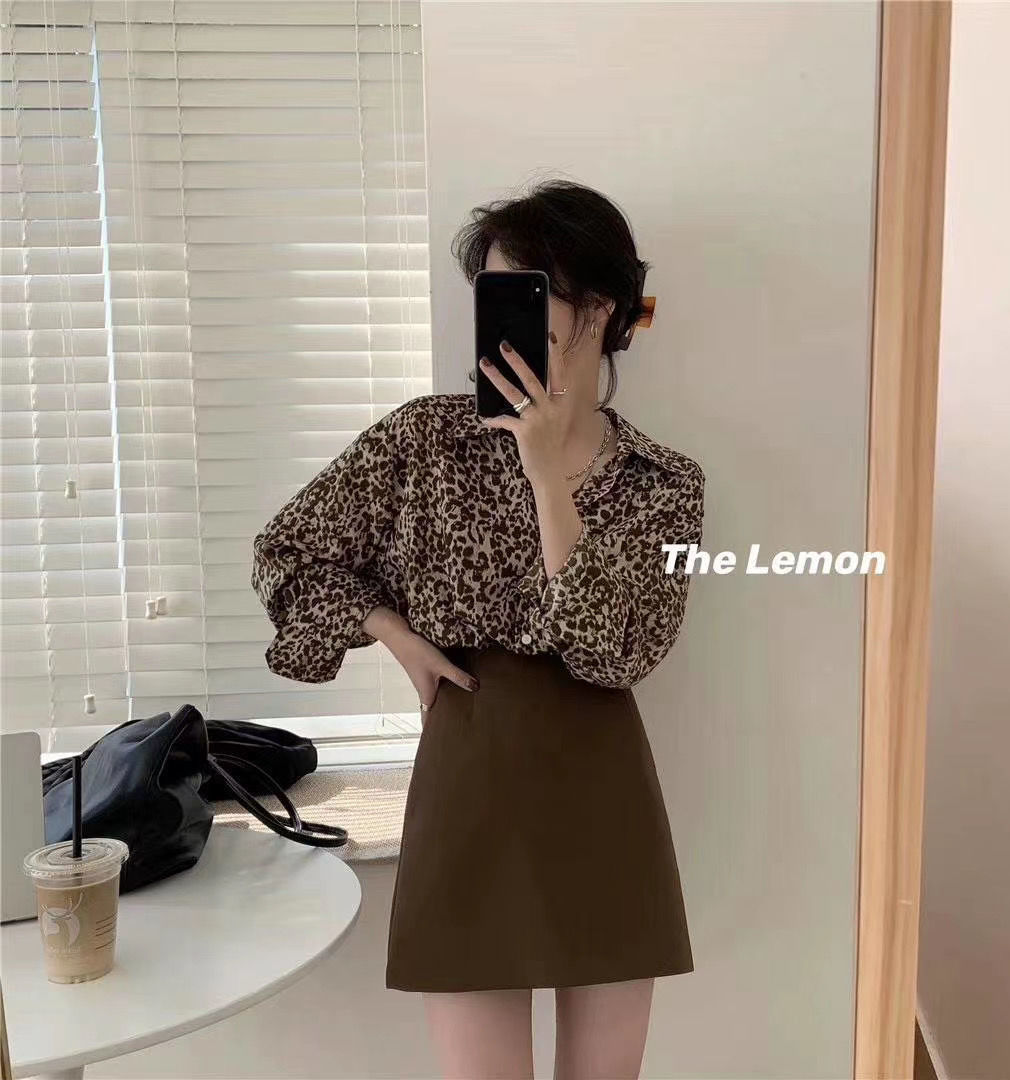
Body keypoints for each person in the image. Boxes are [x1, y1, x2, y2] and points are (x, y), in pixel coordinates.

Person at [251, 179, 705, 1080]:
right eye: (493, 292)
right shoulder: (426, 442)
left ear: (599, 312)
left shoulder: (664, 483)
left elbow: (619, 650)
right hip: (469, 777)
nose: (505, 316)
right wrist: (392, 631)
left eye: (528, 291)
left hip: (602, 787)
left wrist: (545, 476)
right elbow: (285, 554)